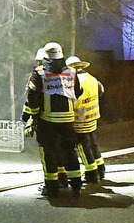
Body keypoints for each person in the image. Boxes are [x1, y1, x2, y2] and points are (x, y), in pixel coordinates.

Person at [22, 41, 83, 197]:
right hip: (68, 120)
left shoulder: (40, 73)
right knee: (69, 151)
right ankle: (76, 184)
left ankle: (52, 187)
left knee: (49, 152)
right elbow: (78, 91)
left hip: (48, 121)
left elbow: (33, 97)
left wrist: (32, 117)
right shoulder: (71, 72)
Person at [66, 55, 106, 182]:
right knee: (93, 144)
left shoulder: (74, 81)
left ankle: (91, 173)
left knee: (83, 147)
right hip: (93, 117)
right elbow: (101, 91)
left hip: (79, 119)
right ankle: (101, 169)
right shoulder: (92, 78)